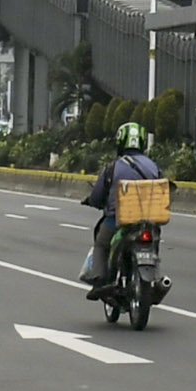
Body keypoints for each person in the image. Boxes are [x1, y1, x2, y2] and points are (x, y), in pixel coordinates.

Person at [81, 120, 166, 288]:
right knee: (154, 242)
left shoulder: (112, 167)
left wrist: (92, 201)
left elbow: (98, 196)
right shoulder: (154, 167)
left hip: (118, 221)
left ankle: (99, 278)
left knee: (101, 243)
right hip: (149, 221)